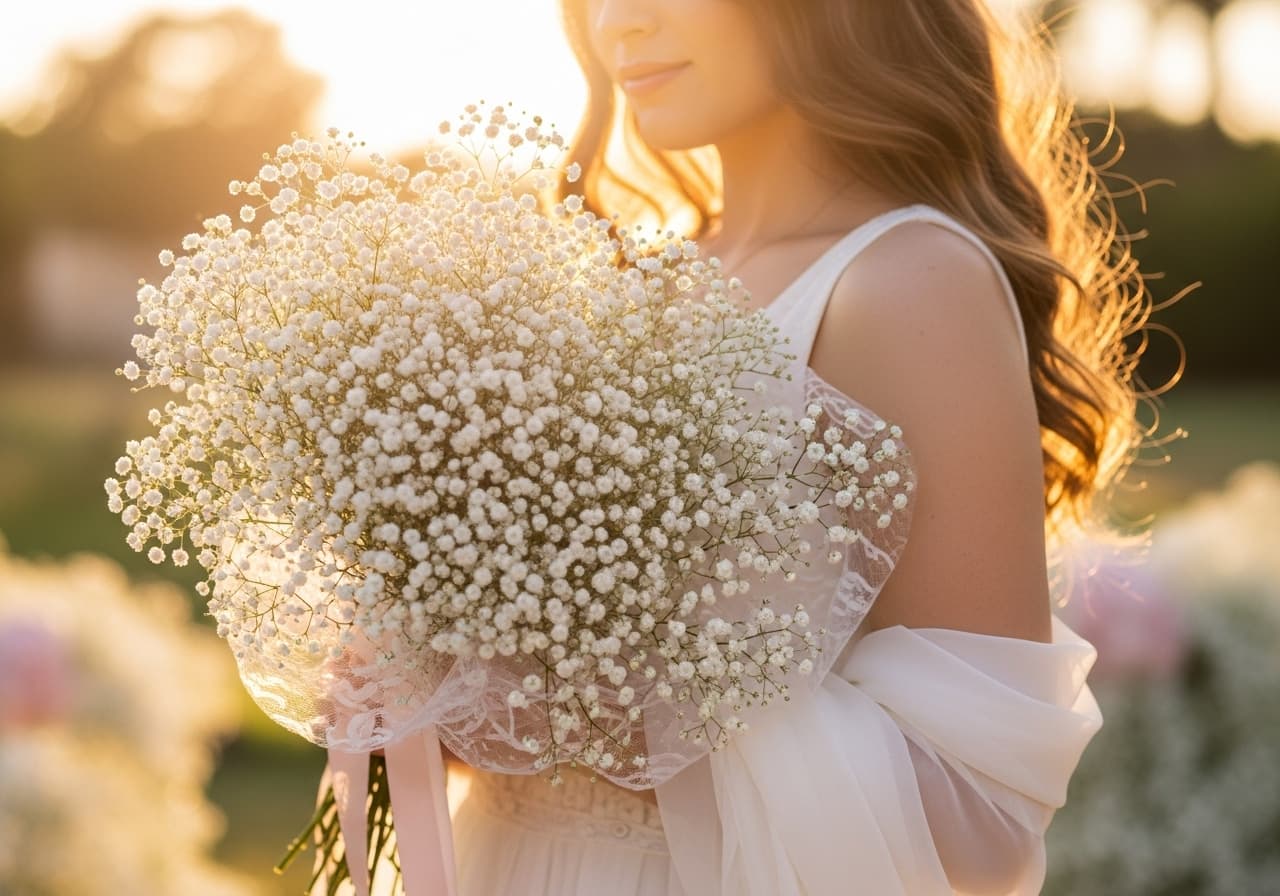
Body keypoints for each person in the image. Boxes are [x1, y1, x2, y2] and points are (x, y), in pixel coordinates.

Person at [447, 1, 1156, 893]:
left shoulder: (908, 282)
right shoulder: (634, 279)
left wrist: (546, 705)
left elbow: (980, 816)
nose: (617, 22)